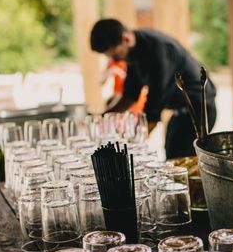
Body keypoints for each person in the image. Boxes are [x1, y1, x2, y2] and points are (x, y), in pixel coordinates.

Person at [90, 18, 217, 159]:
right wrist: (103, 116)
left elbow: (154, 107)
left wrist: (133, 146)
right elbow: (130, 95)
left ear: (126, 39)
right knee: (171, 154)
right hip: (180, 112)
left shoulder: (158, 50)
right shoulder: (132, 54)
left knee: (179, 161)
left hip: (199, 110)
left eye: (115, 55)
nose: (115, 60)